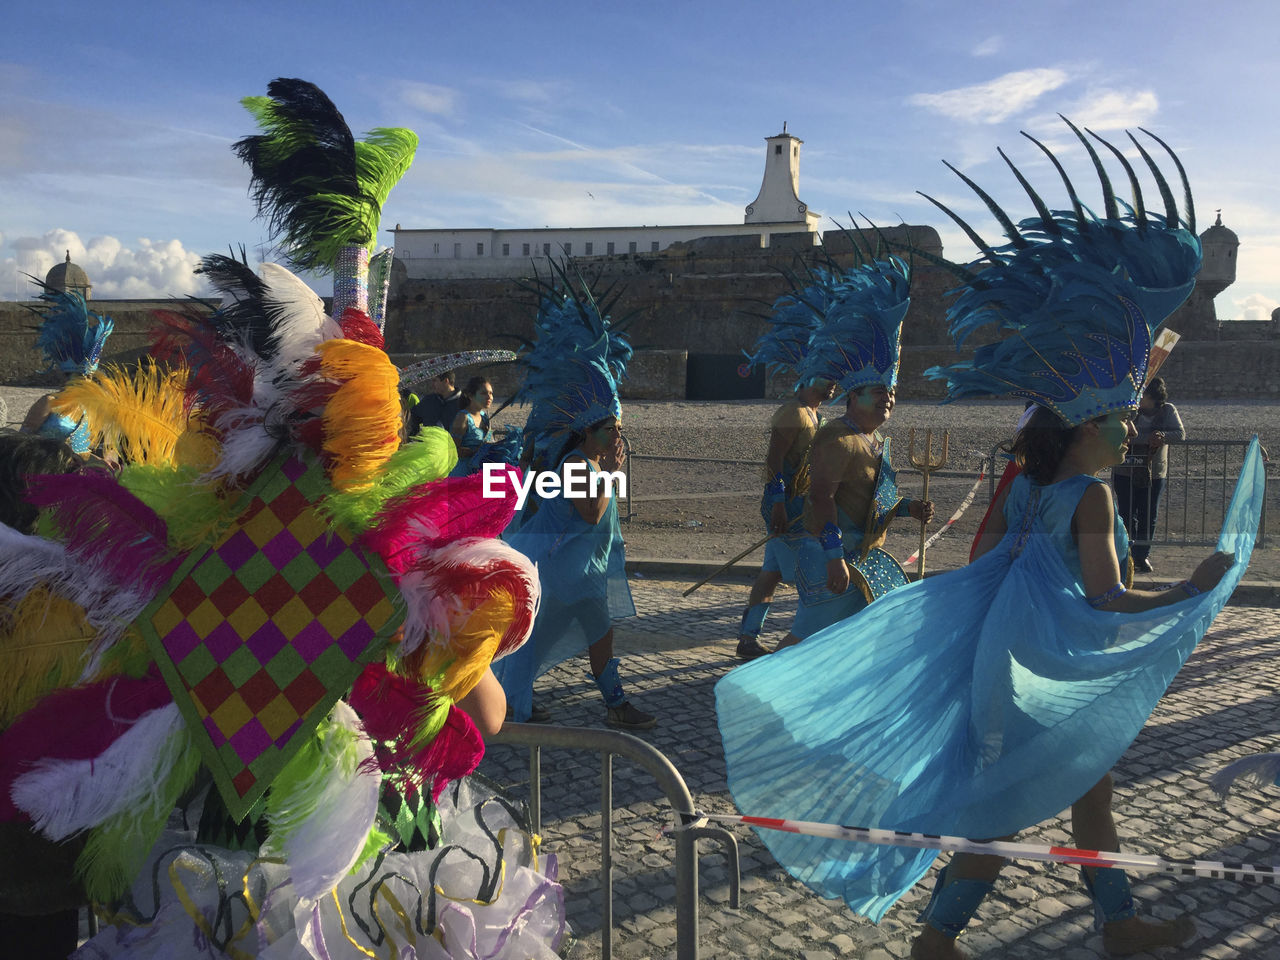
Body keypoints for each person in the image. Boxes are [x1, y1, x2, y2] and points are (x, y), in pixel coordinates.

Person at [716, 120, 1264, 959]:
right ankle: (942, 938)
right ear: (1089, 427)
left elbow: (985, 561)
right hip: (1038, 676)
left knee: (1083, 793)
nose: (1130, 434)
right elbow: (1112, 597)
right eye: (1121, 420)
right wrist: (1197, 586)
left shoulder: (1030, 485)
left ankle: (1113, 923)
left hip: (998, 660)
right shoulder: (1088, 500)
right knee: (1005, 807)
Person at [493, 271, 652, 728]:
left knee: (537, 640)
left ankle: (513, 699)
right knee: (601, 634)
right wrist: (615, 474)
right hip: (574, 573)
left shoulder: (587, 462)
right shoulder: (580, 465)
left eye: (619, 428)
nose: (617, 435)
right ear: (588, 430)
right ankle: (616, 707)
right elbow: (591, 511)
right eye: (611, 428)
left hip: (573, 568)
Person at [764, 255, 933, 650]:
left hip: (864, 557)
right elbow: (822, 497)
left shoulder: (873, 441)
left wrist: (908, 508)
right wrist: (833, 555)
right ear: (853, 396)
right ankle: (761, 693)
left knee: (857, 640)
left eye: (890, 393)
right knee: (806, 639)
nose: (887, 400)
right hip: (833, 556)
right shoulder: (837, 438)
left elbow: (868, 498)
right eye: (878, 392)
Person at [735, 378, 835, 659]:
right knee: (807, 572)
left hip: (800, 508)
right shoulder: (794, 412)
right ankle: (802, 640)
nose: (832, 385)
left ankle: (748, 637)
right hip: (785, 510)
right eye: (826, 379)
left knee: (772, 572)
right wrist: (778, 502)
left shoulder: (818, 417)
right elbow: (774, 459)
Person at [18, 284, 113, 456]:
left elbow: (84, 451)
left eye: (90, 377)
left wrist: (101, 462)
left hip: (75, 477)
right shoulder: (49, 402)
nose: (86, 381)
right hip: (44, 473)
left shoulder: (89, 411)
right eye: (81, 376)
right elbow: (21, 443)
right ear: (67, 377)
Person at [1112, 377, 1184, 573]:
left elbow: (1179, 434)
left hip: (1153, 474)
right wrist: (1147, 438)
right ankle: (1124, 554)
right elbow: (1119, 433)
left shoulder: (1168, 410)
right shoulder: (1129, 409)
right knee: (1125, 513)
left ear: (1151, 395)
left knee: (1148, 515)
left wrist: (1162, 437)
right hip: (1124, 470)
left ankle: (1142, 556)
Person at [407, 368, 462, 435]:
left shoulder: (464, 403)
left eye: (435, 381)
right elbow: (412, 417)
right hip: (428, 444)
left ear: (446, 381)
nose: (432, 384)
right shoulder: (428, 401)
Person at [450, 375, 494, 459]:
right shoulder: (463, 417)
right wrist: (473, 452)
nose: (489, 397)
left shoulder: (484, 416)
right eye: (483, 393)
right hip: (465, 469)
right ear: (470, 396)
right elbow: (452, 450)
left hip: (483, 467)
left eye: (491, 393)